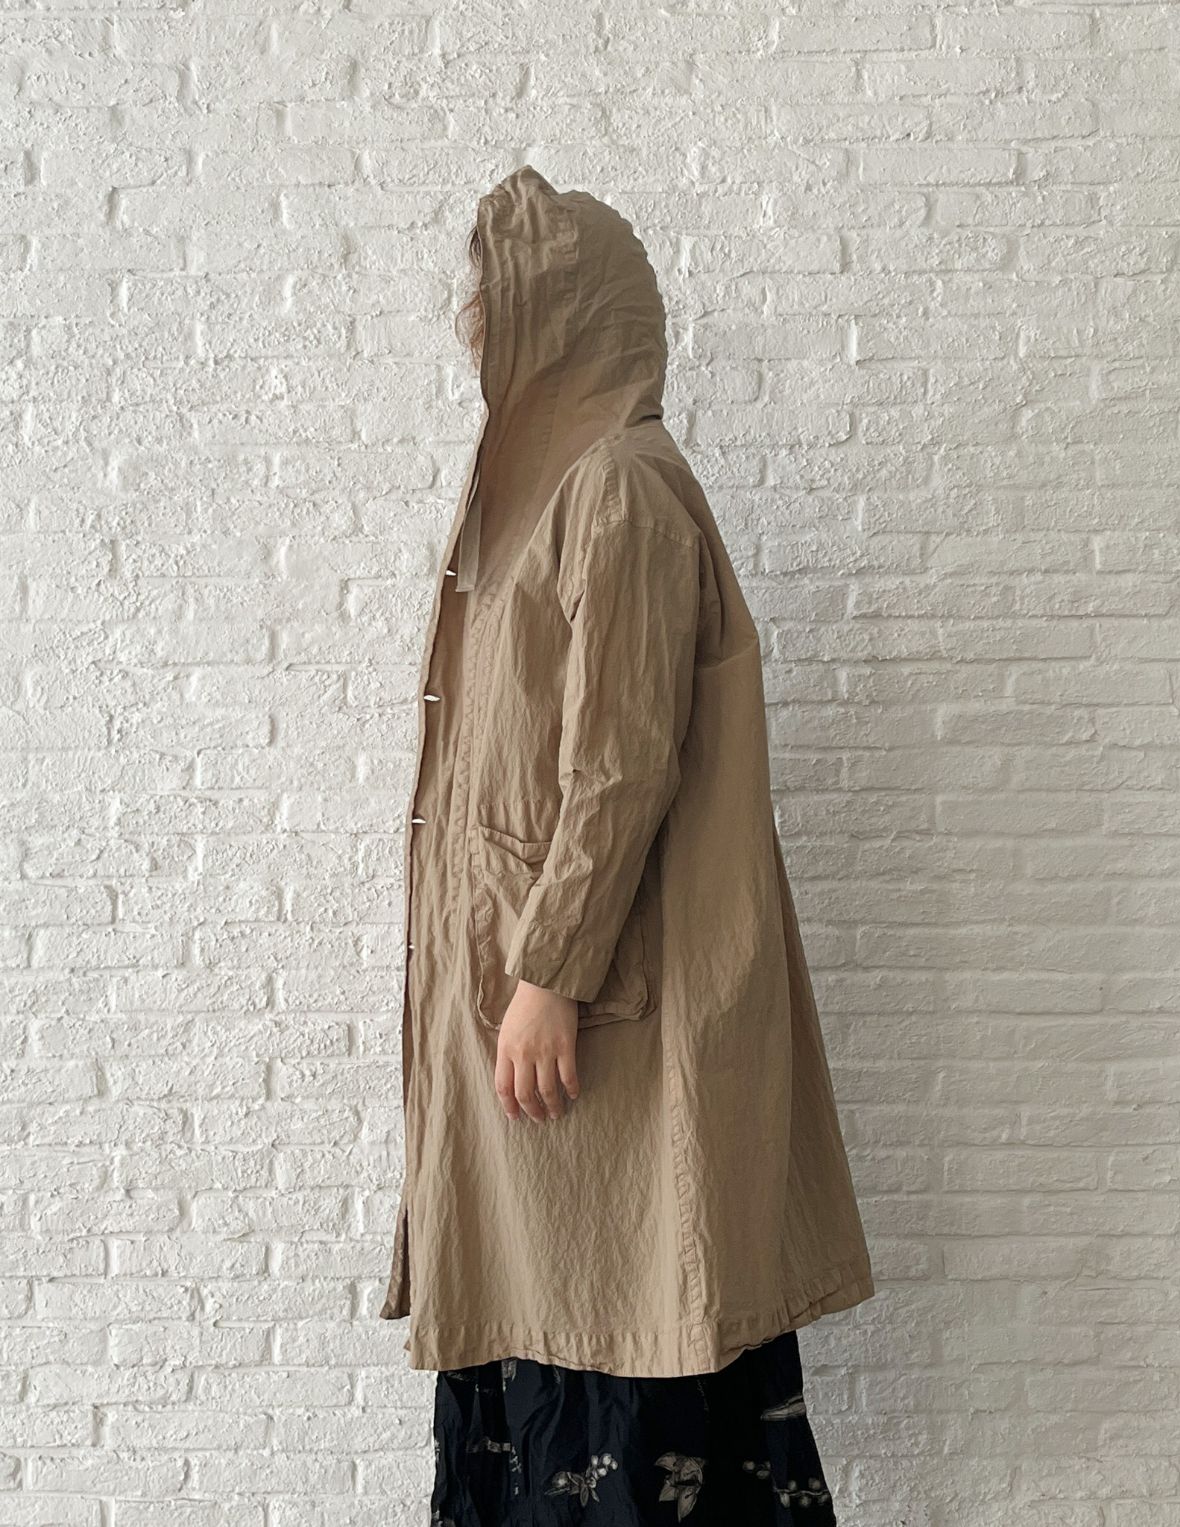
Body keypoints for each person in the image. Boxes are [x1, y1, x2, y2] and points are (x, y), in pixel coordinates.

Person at [379, 164, 875, 1524]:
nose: (468, 323)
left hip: (594, 1021)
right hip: (546, 1021)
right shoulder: (548, 497)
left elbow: (621, 763)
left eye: (490, 297)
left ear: (564, 310)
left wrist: (548, 972)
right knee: (563, 1308)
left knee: (623, 1316)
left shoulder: (618, 491)